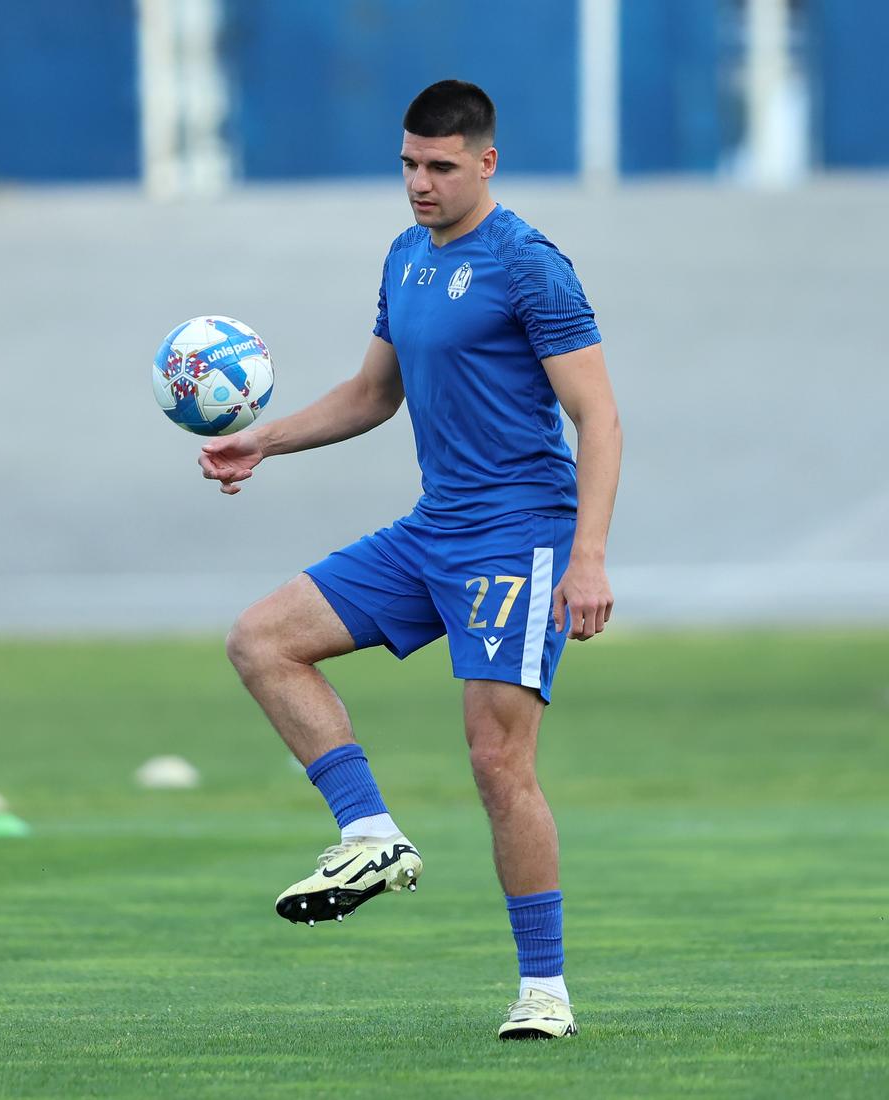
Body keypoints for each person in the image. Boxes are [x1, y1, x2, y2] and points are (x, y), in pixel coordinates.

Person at [200, 80, 621, 1040]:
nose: (420, 185)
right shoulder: (403, 256)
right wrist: (265, 441)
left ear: (485, 162)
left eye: (439, 166)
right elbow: (371, 394)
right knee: (261, 640)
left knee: (497, 763)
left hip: (519, 536)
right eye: (408, 165)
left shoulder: (529, 264)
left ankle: (543, 992)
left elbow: (598, 417)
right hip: (435, 528)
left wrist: (586, 557)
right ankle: (370, 835)